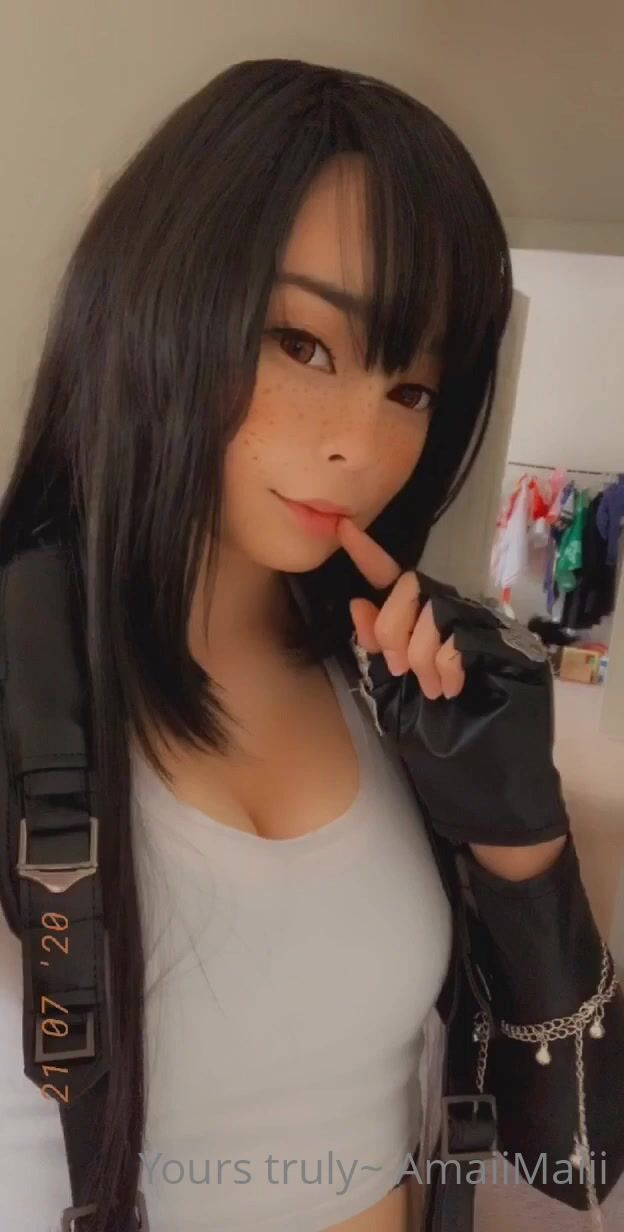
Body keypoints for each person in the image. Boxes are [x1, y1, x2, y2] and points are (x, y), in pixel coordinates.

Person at [0, 57, 622, 1232]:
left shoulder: (403, 682)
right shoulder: (24, 683)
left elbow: (578, 1156)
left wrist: (520, 835)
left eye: (412, 387)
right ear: (151, 301)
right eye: (303, 342)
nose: (362, 445)